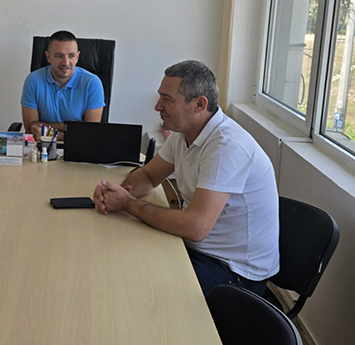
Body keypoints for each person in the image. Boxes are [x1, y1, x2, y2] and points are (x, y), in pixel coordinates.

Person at [92, 61, 279, 297]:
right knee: (120, 258)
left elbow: (195, 227)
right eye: (160, 97)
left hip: (235, 272)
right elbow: (149, 175)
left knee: (139, 287)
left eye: (167, 99)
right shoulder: (183, 135)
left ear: (200, 104)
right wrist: (116, 193)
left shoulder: (227, 146)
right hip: (197, 248)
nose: (157, 106)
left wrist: (128, 204)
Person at [21, 30, 105, 141]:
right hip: (42, 148)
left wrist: (54, 134)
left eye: (71, 56)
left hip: (79, 148)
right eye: (59, 56)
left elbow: (89, 133)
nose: (66, 62)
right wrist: (73, 129)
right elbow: (32, 129)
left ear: (77, 57)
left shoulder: (92, 83)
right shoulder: (33, 80)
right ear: (48, 57)